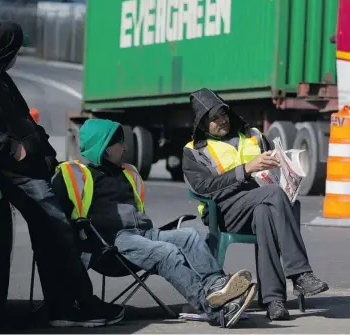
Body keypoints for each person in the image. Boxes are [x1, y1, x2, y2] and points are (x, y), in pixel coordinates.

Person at [0, 21, 124, 328]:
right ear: (6, 50)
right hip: (16, 174)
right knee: (59, 233)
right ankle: (79, 306)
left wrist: (43, 150)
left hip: (33, 170)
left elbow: (21, 119)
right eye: (16, 49)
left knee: (53, 237)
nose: (18, 55)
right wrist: (13, 149)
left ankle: (63, 306)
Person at [52, 119, 257, 328]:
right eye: (120, 143)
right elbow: (56, 214)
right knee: (167, 252)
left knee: (190, 235)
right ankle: (215, 310)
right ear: (103, 148)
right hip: (111, 242)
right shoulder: (79, 176)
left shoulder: (127, 172)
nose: (125, 147)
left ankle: (217, 288)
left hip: (143, 233)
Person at [182, 88, 328, 321]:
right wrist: (246, 170)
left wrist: (284, 165)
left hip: (262, 202)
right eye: (214, 118)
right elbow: (202, 187)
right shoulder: (194, 151)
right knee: (273, 195)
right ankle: (300, 274)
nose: (222, 121)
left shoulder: (253, 135)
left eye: (223, 114)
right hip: (223, 210)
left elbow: (273, 161)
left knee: (264, 214)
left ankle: (274, 301)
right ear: (202, 124)